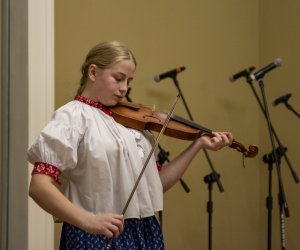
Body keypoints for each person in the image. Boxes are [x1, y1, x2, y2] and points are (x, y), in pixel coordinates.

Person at [27, 41, 233, 250]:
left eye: (129, 81)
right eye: (118, 78)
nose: (124, 88)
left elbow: (155, 185)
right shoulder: (72, 117)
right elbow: (39, 187)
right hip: (95, 234)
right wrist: (88, 221)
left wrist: (197, 145)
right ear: (93, 72)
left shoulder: (131, 125)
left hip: (144, 231)